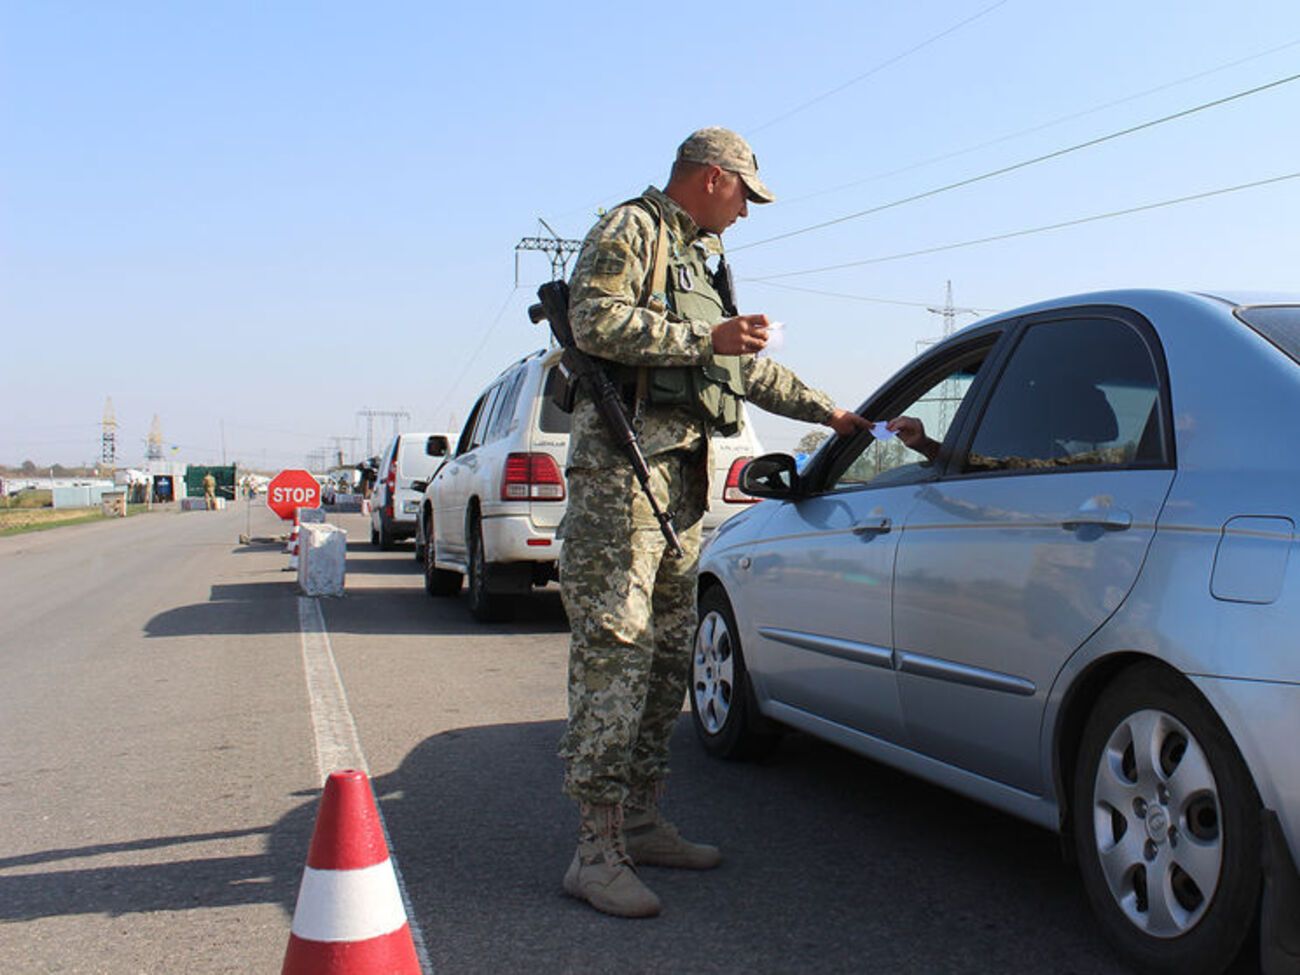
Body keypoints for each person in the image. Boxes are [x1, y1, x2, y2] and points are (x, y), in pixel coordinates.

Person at [557, 126, 875, 918]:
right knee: (616, 656)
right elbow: (594, 321)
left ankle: (640, 817)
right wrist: (707, 336)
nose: (745, 212)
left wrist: (830, 412)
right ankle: (593, 851)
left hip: (680, 491)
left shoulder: (702, 260)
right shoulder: (630, 230)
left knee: (669, 657)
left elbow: (744, 367)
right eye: (743, 194)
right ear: (710, 178)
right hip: (621, 487)